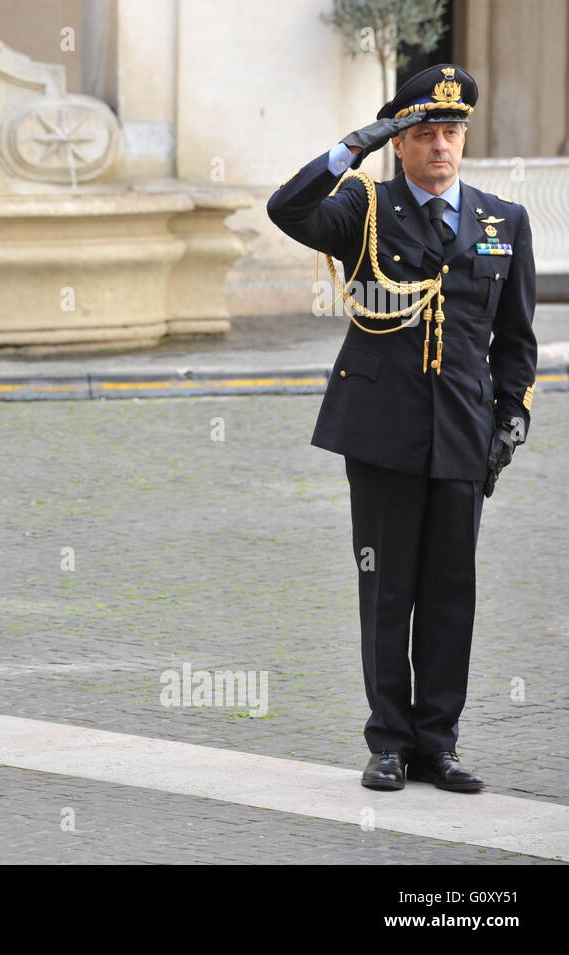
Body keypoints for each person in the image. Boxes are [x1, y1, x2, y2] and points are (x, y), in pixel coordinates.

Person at [267, 64, 537, 793]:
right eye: (424, 134)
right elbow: (286, 211)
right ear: (401, 143)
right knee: (387, 590)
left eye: (451, 133)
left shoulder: (501, 220)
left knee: (452, 593)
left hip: (463, 431)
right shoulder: (365, 206)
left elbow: (516, 340)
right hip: (382, 430)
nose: (441, 146)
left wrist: (511, 419)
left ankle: (437, 744)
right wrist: (347, 150)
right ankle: (387, 741)